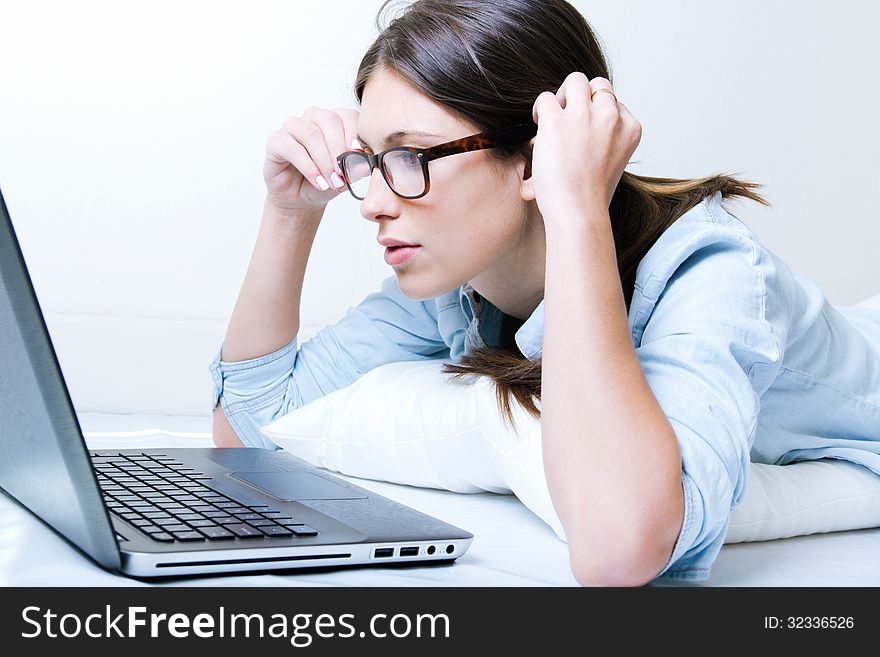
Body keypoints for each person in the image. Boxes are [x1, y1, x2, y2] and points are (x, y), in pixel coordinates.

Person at [208, 0, 880, 586]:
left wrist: (576, 210)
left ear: (533, 155)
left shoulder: (711, 270)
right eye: (372, 159)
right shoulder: (460, 281)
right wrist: (290, 215)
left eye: (410, 157)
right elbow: (247, 426)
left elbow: (620, 549)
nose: (373, 203)